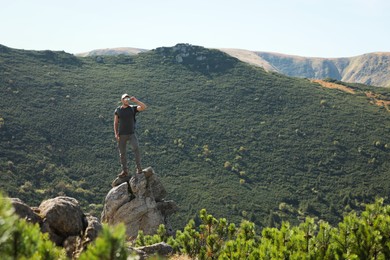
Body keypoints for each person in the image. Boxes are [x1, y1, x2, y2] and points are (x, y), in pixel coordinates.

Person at [114, 94, 147, 178]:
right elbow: (116, 122)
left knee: (136, 149)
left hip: (131, 134)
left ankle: (139, 169)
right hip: (122, 135)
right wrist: (116, 133)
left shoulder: (133, 108)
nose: (127, 100)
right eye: (125, 98)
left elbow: (144, 107)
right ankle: (125, 171)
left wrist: (136, 101)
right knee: (122, 153)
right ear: (122, 100)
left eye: (128, 98)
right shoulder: (118, 110)